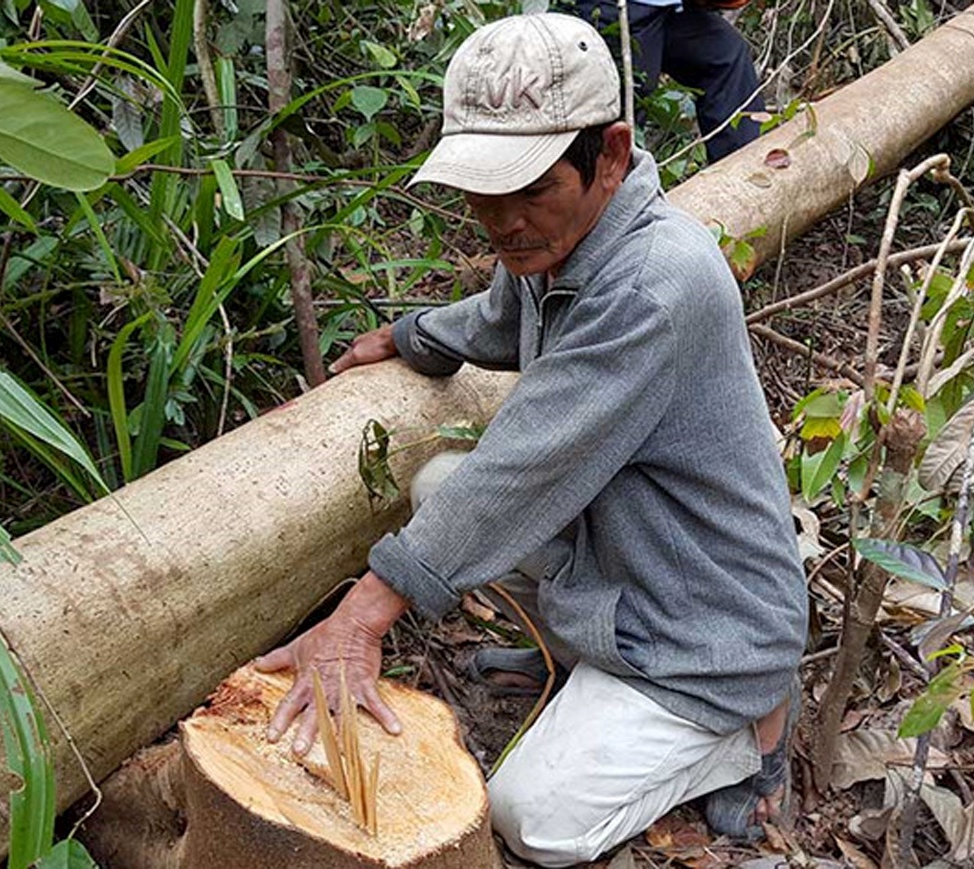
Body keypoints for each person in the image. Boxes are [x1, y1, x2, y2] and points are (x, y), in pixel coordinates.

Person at [253, 12, 807, 866]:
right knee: (439, 487)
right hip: (629, 559)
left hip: (706, 625)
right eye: (484, 194)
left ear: (610, 155)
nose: (503, 221)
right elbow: (499, 317)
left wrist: (360, 616)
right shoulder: (562, 244)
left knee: (530, 818)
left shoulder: (654, 285)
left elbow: (522, 466)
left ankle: (747, 731)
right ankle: (580, 656)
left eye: (531, 189)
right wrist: (408, 337)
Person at [571, 0, 766, 162]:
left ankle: (740, 169)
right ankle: (606, 185)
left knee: (726, 55)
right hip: (620, 7)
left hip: (670, 8)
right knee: (631, 96)